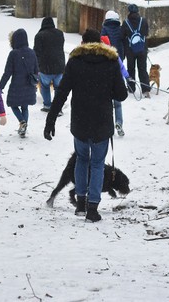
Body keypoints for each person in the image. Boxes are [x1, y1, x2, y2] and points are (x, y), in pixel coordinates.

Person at [43, 29, 128, 222]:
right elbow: (121, 95)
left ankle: (80, 204)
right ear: (100, 43)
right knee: (97, 164)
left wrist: (51, 120)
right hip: (101, 122)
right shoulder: (111, 62)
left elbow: (62, 92)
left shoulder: (75, 62)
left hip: (80, 122)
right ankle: (92, 209)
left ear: (82, 42)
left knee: (82, 159)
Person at [0, 28, 39, 138]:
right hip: (29, 85)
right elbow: (36, 70)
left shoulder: (13, 54)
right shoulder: (32, 52)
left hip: (16, 84)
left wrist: (0, 86)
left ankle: (22, 122)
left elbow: (7, 72)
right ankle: (23, 127)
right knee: (25, 107)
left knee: (13, 104)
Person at [101, 11, 130, 136]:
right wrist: (128, 77)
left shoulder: (104, 29)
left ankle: (105, 124)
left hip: (105, 76)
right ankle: (119, 122)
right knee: (118, 104)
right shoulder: (120, 29)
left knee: (106, 104)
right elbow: (124, 44)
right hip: (117, 67)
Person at [33, 17, 65, 112]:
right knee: (58, 88)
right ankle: (58, 108)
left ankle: (47, 106)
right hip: (60, 66)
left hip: (45, 68)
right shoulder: (60, 33)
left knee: (45, 86)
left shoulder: (39, 36)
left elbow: (36, 52)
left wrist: (36, 66)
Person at [121, 4, 150, 97]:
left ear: (129, 12)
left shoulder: (126, 23)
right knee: (142, 69)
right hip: (142, 50)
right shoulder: (144, 21)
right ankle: (145, 90)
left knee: (131, 69)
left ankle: (131, 88)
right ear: (138, 11)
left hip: (130, 51)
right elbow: (146, 33)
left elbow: (122, 36)